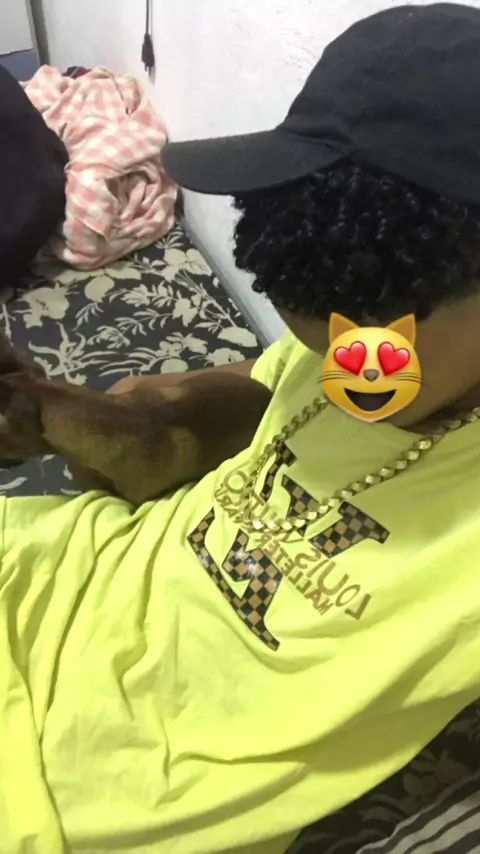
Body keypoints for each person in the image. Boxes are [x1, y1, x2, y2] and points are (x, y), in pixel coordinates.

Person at [3, 4, 480, 853]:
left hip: (105, 761)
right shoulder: (350, 347)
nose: (349, 366)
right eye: (315, 324)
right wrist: (67, 410)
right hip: (60, 574)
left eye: (378, 320)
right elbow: (250, 390)